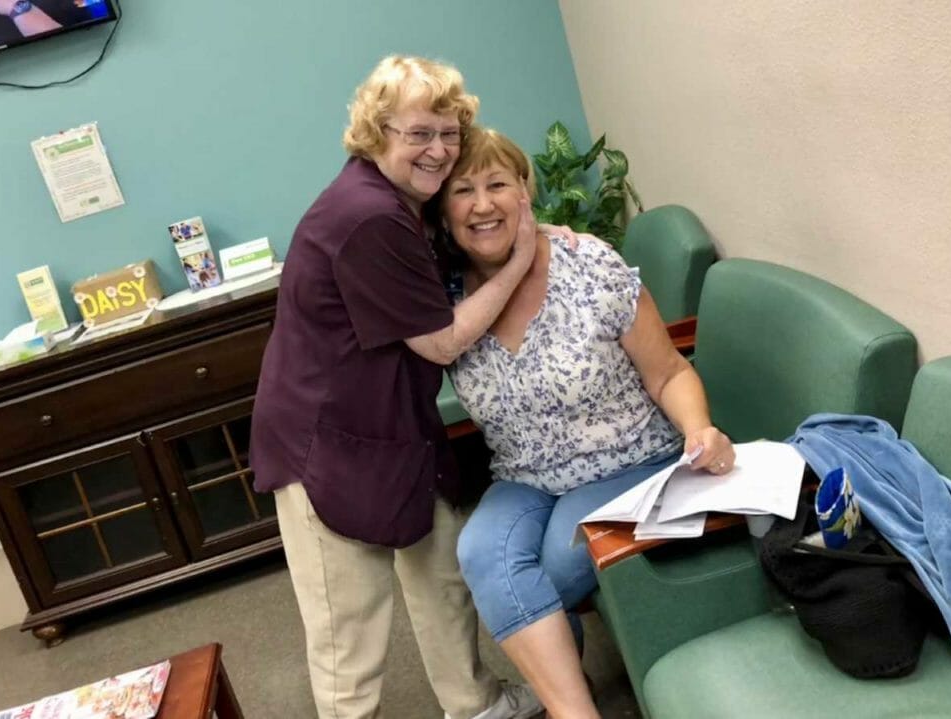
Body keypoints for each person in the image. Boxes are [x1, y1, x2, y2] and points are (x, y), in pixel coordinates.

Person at [249, 57, 546, 719]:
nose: (437, 150)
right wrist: (522, 260)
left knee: (441, 577)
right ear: (376, 131)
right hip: (327, 443)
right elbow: (441, 340)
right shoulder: (370, 216)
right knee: (348, 631)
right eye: (418, 133)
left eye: (448, 133)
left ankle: (475, 704)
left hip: (397, 426)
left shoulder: (404, 204)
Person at [439, 127, 736, 719]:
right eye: (462, 190)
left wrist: (699, 427)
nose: (482, 203)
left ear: (525, 191)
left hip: (626, 460)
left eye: (498, 183)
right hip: (523, 476)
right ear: (442, 214)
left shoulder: (587, 263)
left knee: (553, 563)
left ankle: (566, 704)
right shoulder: (441, 297)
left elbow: (668, 372)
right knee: (478, 551)